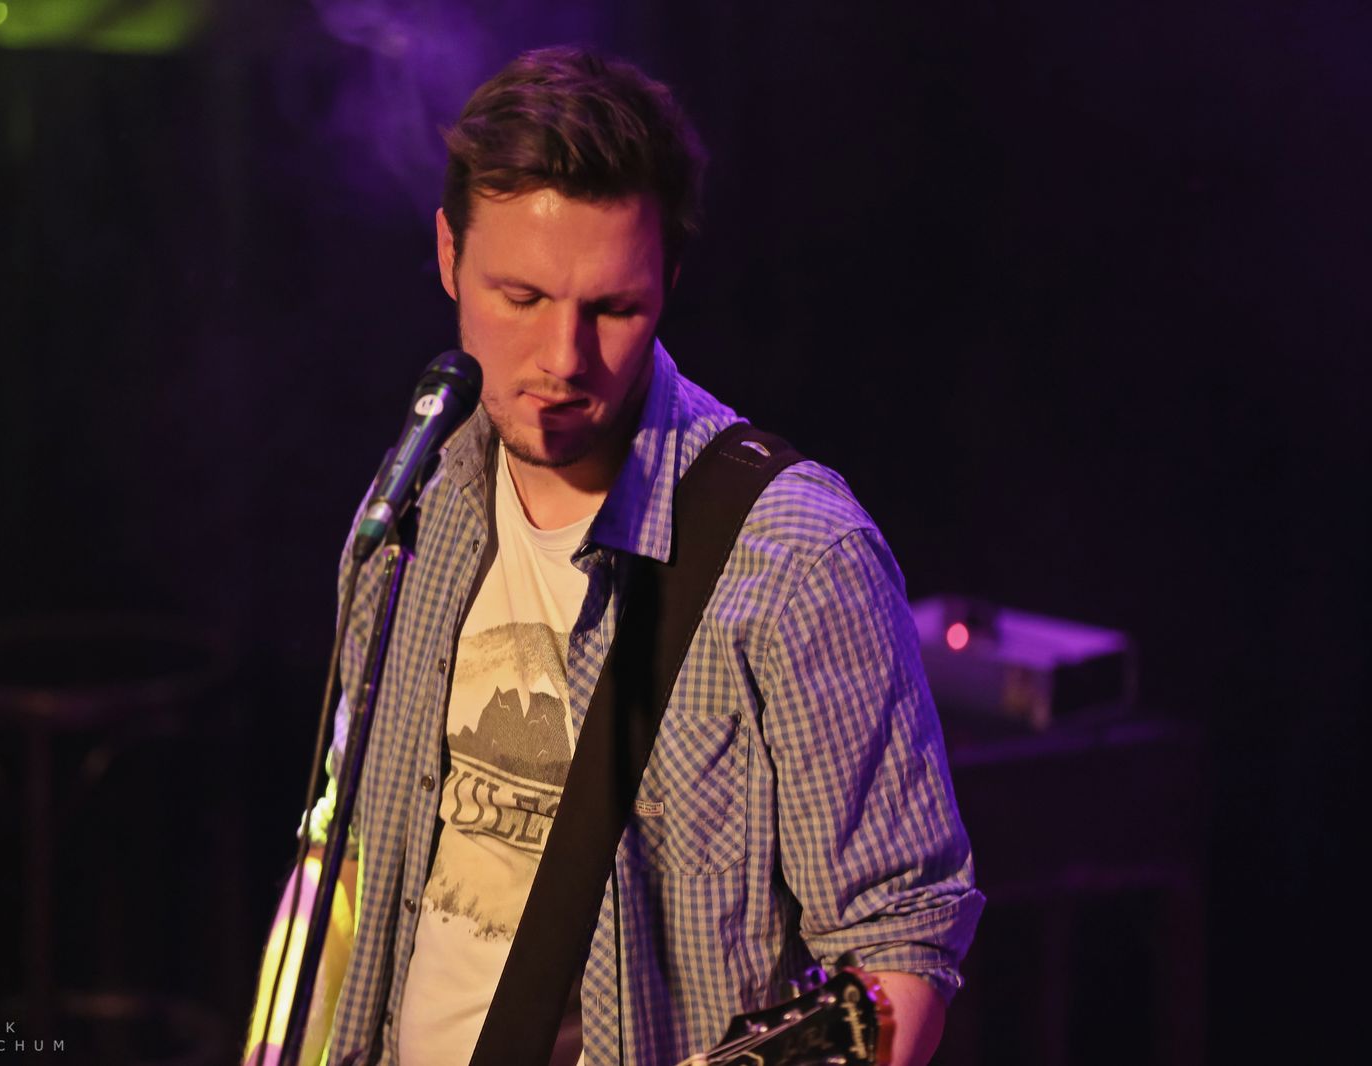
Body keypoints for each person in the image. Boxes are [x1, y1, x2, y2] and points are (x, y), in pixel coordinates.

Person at [248, 44, 982, 1066]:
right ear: (449, 255)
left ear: (669, 279)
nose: (563, 359)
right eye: (520, 298)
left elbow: (897, 946)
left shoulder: (794, 559)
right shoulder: (418, 499)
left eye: (613, 308)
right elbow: (352, 857)